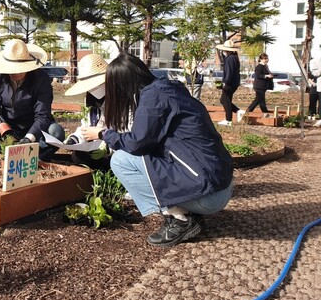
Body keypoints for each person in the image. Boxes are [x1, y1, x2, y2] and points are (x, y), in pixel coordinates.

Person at [78, 52, 234, 247]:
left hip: (209, 195)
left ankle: (179, 219)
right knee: (143, 156)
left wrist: (102, 134)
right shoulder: (166, 89)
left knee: (120, 160)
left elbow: (136, 143)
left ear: (121, 84)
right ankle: (186, 211)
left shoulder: (153, 98)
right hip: (220, 185)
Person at [0, 39, 65, 162]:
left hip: (33, 130)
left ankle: (33, 157)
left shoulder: (41, 79)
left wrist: (29, 138)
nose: (15, 73)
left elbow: (43, 116)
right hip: (7, 129)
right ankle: (1, 153)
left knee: (56, 132)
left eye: (19, 68)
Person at [62, 53, 111, 171]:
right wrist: (74, 139)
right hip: (94, 147)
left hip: (114, 148)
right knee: (78, 155)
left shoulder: (121, 99)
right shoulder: (90, 99)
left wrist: (108, 146)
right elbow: (86, 127)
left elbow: (125, 131)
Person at [216, 40, 242, 126]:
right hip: (233, 82)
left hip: (230, 83)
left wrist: (225, 82)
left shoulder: (230, 58)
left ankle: (229, 119)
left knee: (224, 99)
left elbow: (229, 72)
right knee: (225, 100)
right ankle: (235, 114)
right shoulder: (234, 57)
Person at [308, 51, 321, 119]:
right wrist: (312, 82)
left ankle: (319, 115)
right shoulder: (314, 66)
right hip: (314, 86)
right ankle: (311, 113)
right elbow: (310, 77)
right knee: (312, 101)